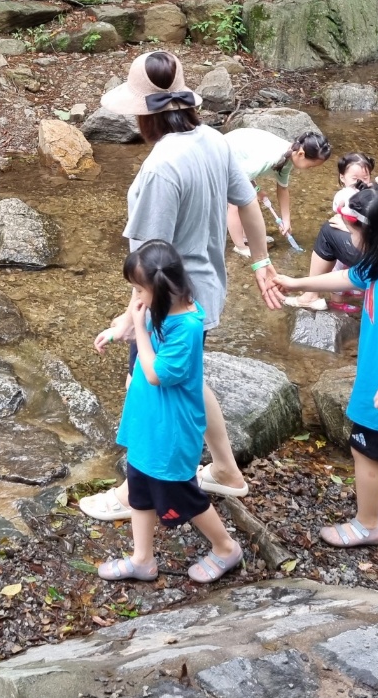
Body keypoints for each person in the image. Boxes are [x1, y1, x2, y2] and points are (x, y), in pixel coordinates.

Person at [77, 51, 282, 523]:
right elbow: (248, 205)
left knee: (145, 388)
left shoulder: (159, 169)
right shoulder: (213, 138)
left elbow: (148, 264)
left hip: (167, 305)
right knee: (189, 379)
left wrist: (131, 319)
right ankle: (228, 470)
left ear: (144, 113)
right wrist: (260, 262)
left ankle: (134, 493)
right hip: (207, 291)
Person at [268, 185, 378, 547]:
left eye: (353, 231)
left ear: (373, 232)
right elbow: (347, 278)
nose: (349, 237)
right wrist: (298, 282)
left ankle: (368, 525)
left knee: (365, 450)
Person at [94, 241, 243, 583]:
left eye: (137, 290)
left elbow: (155, 373)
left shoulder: (188, 328)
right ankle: (141, 559)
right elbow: (137, 310)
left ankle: (225, 548)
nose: (135, 299)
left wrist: (139, 333)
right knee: (140, 489)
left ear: (160, 290)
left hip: (171, 432)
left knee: (182, 495)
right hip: (148, 423)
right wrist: (121, 329)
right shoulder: (162, 305)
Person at [283, 151, 376, 312]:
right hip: (351, 237)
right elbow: (340, 207)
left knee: (345, 267)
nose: (360, 182)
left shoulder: (370, 193)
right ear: (342, 178)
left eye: (365, 178)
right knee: (338, 267)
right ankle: (337, 300)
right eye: (355, 179)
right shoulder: (345, 194)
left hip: (357, 239)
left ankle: (345, 288)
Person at [223, 128, 333, 258]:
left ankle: (245, 236)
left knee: (248, 198)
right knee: (237, 203)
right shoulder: (269, 158)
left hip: (239, 160)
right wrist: (253, 190)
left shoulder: (288, 156)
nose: (310, 169)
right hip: (221, 155)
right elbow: (239, 179)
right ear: (301, 154)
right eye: (310, 166)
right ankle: (239, 246)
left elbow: (282, 188)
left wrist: (286, 221)